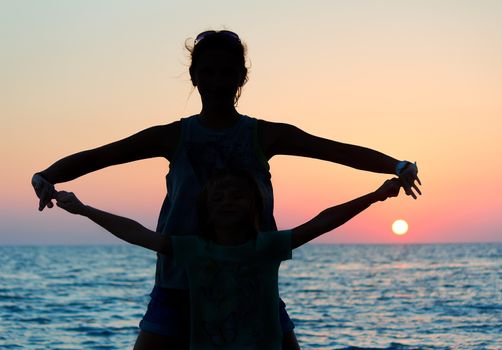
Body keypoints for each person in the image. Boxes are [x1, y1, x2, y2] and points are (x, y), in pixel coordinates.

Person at [31, 30, 421, 349]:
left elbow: (332, 150)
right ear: (194, 77)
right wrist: (47, 175)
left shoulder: (263, 135)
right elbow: (104, 156)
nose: (217, 82)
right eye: (209, 72)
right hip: (179, 279)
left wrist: (395, 166)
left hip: (250, 279)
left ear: (241, 77)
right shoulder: (174, 136)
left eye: (227, 72)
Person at [54, 168, 402, 350]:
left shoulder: (267, 246)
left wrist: (373, 196)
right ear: (205, 209)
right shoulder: (192, 248)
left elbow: (321, 222)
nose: (228, 201)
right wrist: (85, 210)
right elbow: (137, 232)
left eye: (238, 195)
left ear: (254, 205)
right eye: (218, 197)